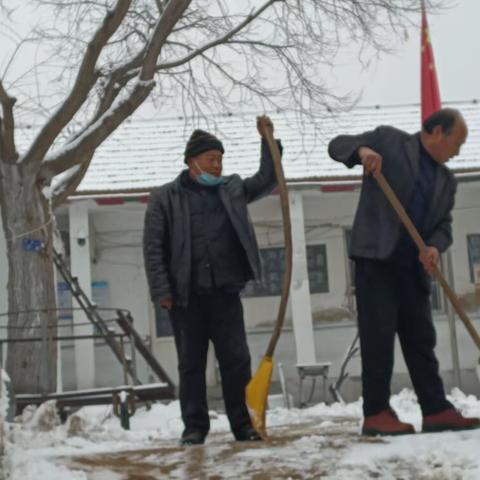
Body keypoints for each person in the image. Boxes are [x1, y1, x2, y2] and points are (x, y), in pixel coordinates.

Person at [328, 108, 480, 436]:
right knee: (378, 336)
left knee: (421, 339)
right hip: (377, 260)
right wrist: (362, 152)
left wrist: (435, 247)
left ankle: (436, 408)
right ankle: (376, 412)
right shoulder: (390, 141)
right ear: (437, 131)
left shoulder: (446, 180)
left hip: (413, 267)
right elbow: (338, 144)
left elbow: (444, 226)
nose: (458, 150)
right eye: (458, 141)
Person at [143, 116, 281, 445]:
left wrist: (268, 141)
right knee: (191, 364)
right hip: (185, 297)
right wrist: (162, 290)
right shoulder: (166, 198)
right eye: (211, 159)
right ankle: (194, 427)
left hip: (225, 293)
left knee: (235, 361)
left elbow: (267, 178)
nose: (217, 165)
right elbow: (153, 247)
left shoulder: (232, 189)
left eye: (220, 159)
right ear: (192, 162)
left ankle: (242, 425)